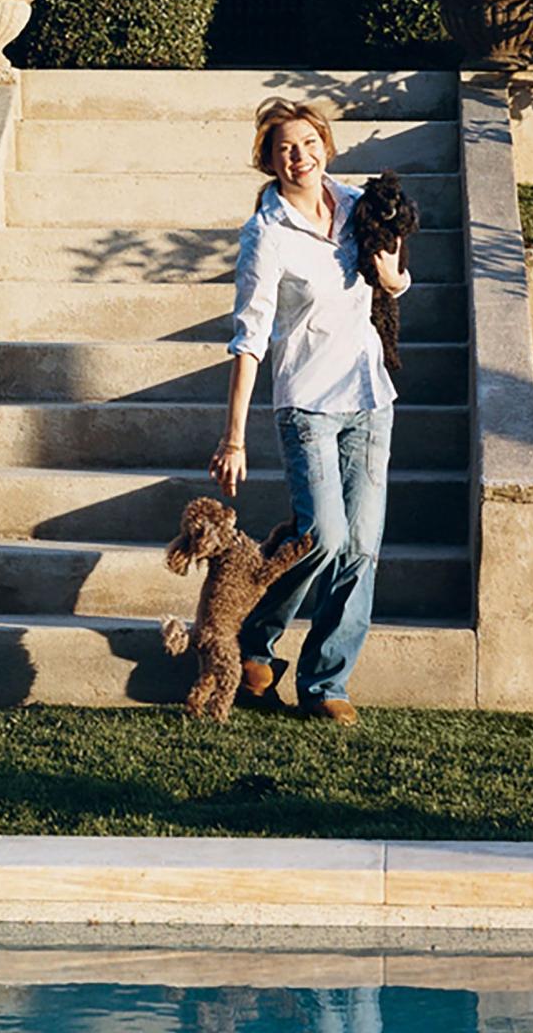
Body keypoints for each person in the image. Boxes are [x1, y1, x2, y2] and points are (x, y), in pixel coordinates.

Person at [207, 99, 410, 726]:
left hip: (370, 398)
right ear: (268, 160)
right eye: (284, 148)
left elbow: (398, 280)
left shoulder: (359, 206)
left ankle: (327, 681)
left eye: (308, 142)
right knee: (322, 537)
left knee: (361, 549)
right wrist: (234, 437)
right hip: (307, 403)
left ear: (326, 144)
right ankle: (254, 640)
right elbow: (250, 337)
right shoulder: (265, 234)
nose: (300, 155)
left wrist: (394, 280)